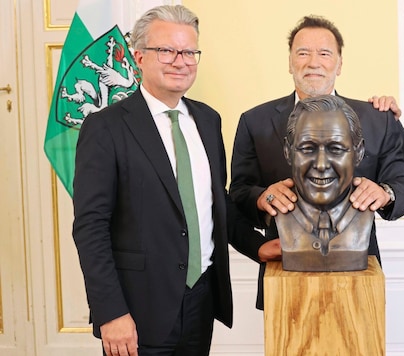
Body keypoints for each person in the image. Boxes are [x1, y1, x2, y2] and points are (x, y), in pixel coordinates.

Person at [72, 5, 266, 355]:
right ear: (138, 57)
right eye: (166, 50)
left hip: (202, 301)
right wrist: (110, 312)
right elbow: (90, 228)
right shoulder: (105, 128)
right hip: (137, 310)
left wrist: (258, 247)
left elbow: (213, 202)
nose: (180, 60)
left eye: (189, 51)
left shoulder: (208, 120)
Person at [229, 15, 404, 309]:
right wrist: (262, 198)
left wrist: (385, 193)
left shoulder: (376, 119)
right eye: (302, 53)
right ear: (290, 62)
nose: (313, 62)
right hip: (286, 270)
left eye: (324, 53)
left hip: (358, 273)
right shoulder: (255, 121)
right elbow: (238, 191)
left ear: (339, 64)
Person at [277, 95, 373, 272]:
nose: (321, 165)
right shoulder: (277, 205)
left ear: (358, 153)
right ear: (288, 152)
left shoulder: (367, 209)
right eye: (307, 148)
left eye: (336, 149)